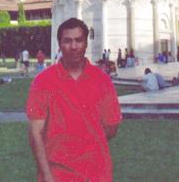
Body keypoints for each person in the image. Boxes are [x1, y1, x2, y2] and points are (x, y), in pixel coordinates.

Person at [27, 17, 121, 181]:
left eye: (79, 40)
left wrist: (81, 142)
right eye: (67, 41)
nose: (74, 46)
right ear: (60, 44)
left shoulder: (102, 81)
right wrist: (47, 176)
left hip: (96, 173)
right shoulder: (42, 82)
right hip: (58, 174)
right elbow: (35, 133)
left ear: (86, 43)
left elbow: (112, 127)